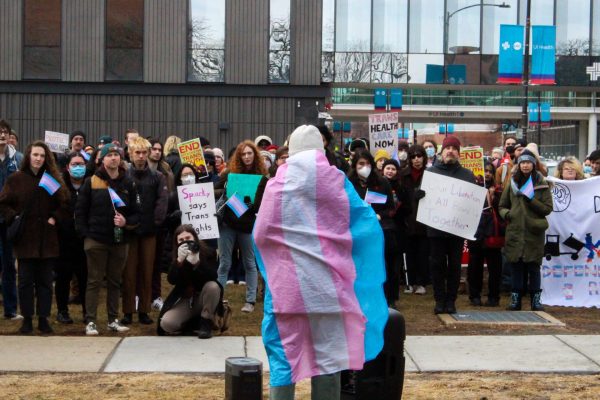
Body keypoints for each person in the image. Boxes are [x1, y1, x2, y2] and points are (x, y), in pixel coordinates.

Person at [253, 125, 387, 400]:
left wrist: (277, 263)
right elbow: (363, 222)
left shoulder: (278, 183)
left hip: (287, 291)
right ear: (320, 148)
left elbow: (261, 232)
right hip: (329, 289)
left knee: (283, 360)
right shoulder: (336, 180)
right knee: (329, 361)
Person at [0, 141, 69, 334]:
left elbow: (64, 205)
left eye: (42, 155)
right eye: (35, 155)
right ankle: (27, 319)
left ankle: (44, 319)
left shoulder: (51, 180)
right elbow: (3, 204)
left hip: (47, 240)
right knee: (25, 282)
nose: (38, 159)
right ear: (28, 156)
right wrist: (13, 217)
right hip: (25, 240)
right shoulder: (16, 179)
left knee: (45, 282)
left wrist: (55, 218)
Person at [75, 143, 140, 335]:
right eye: (109, 155)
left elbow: (137, 213)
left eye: (116, 154)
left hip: (119, 241)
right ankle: (91, 321)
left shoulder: (128, 182)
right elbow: (80, 211)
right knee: (94, 281)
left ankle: (113, 319)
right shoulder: (92, 181)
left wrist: (125, 221)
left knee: (114, 281)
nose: (113, 158)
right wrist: (86, 234)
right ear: (101, 159)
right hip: (96, 239)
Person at [420, 136, 476, 314]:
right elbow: (424, 197)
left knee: (454, 266)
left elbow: (472, 203)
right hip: (436, 229)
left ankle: (451, 300)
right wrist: (418, 195)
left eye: (454, 148)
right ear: (441, 152)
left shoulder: (467, 175)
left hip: (456, 229)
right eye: (447, 148)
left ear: (458, 153)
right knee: (436, 265)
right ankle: (439, 300)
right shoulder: (431, 173)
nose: (450, 151)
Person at [214, 140, 268, 313]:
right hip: (228, 223)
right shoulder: (229, 173)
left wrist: (254, 203)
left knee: (250, 263)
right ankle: (217, 298)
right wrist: (225, 189)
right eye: (243, 154)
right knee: (224, 263)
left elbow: (264, 203)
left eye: (249, 153)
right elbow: (215, 191)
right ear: (239, 156)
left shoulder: (262, 176)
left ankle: (250, 301)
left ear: (255, 155)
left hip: (247, 225)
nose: (246, 157)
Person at [121, 137, 168, 326]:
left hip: (149, 232)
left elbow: (162, 202)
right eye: (137, 153)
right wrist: (127, 222)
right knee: (129, 272)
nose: (141, 157)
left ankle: (144, 310)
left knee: (147, 271)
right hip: (129, 231)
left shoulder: (158, 177)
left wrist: (154, 223)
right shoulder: (125, 177)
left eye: (144, 153)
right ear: (131, 154)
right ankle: (127, 311)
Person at [499, 149, 553, 311]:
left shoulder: (541, 184)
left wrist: (531, 200)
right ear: (519, 164)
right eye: (522, 162)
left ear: (534, 164)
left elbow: (547, 209)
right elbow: (502, 206)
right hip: (515, 231)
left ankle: (535, 300)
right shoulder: (512, 184)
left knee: (533, 267)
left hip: (533, 232)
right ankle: (515, 300)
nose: (525, 165)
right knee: (516, 266)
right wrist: (508, 214)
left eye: (528, 162)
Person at [348, 149, 396, 306]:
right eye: (361, 164)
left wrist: (380, 215)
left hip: (379, 229)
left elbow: (390, 207)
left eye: (368, 164)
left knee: (384, 264)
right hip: (357, 231)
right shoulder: (349, 184)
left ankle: (388, 298)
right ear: (355, 165)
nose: (365, 167)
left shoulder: (382, 182)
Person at [157, 225, 222, 338]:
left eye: (188, 238)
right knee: (167, 324)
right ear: (176, 242)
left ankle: (206, 322)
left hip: (204, 297)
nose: (185, 242)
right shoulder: (175, 255)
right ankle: (193, 323)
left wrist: (197, 264)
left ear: (195, 238)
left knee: (213, 286)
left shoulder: (208, 252)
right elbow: (171, 280)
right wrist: (178, 262)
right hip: (187, 299)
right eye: (181, 240)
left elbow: (213, 276)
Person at [55, 152, 89, 324]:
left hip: (84, 240)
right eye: (74, 164)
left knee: (84, 278)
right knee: (63, 277)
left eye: (81, 164)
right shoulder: (59, 186)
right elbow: (51, 206)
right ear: (67, 167)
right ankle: (62, 311)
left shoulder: (90, 184)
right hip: (64, 240)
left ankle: (86, 312)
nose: (78, 167)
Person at [467, 162, 503, 307]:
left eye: (489, 171)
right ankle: (474, 295)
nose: (487, 173)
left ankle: (494, 296)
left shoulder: (499, 190)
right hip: (476, 232)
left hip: (492, 233)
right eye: (484, 171)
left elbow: (502, 209)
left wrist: (493, 198)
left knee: (495, 268)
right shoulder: (472, 188)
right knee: (475, 266)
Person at [0, 119, 23, 321]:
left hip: (8, 220)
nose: (2, 135)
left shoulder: (18, 159)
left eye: (5, 132)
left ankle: (10, 309)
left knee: (9, 265)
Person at [381, 158, 412, 303]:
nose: (390, 171)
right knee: (383, 266)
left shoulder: (402, 188)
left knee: (394, 268)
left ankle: (392, 298)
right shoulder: (378, 186)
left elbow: (408, 209)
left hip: (398, 233)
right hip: (381, 230)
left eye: (393, 169)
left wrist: (398, 207)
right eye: (388, 168)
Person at [400, 144, 430, 295]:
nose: (416, 159)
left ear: (424, 158)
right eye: (413, 157)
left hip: (425, 220)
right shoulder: (403, 175)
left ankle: (421, 282)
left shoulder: (431, 174)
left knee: (423, 254)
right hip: (408, 219)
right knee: (409, 253)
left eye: (419, 156)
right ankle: (410, 281)